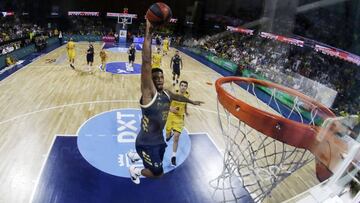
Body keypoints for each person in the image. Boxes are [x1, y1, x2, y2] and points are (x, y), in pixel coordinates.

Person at [127, 19, 203, 184]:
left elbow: (178, 97)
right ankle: (135, 170)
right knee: (158, 173)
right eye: (156, 78)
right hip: (146, 143)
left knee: (157, 164)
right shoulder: (148, 95)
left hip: (158, 140)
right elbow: (147, 62)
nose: (160, 79)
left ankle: (134, 156)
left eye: (161, 76)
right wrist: (149, 31)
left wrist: (192, 101)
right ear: (150, 82)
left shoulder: (167, 94)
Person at [165, 80, 190, 166]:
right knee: (167, 137)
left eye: (185, 86)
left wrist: (186, 111)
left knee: (176, 137)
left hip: (179, 118)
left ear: (186, 88)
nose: (183, 87)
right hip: (171, 116)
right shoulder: (174, 94)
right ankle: (169, 134)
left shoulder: (187, 95)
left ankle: (173, 157)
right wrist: (171, 109)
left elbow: (185, 103)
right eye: (182, 85)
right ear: (179, 86)